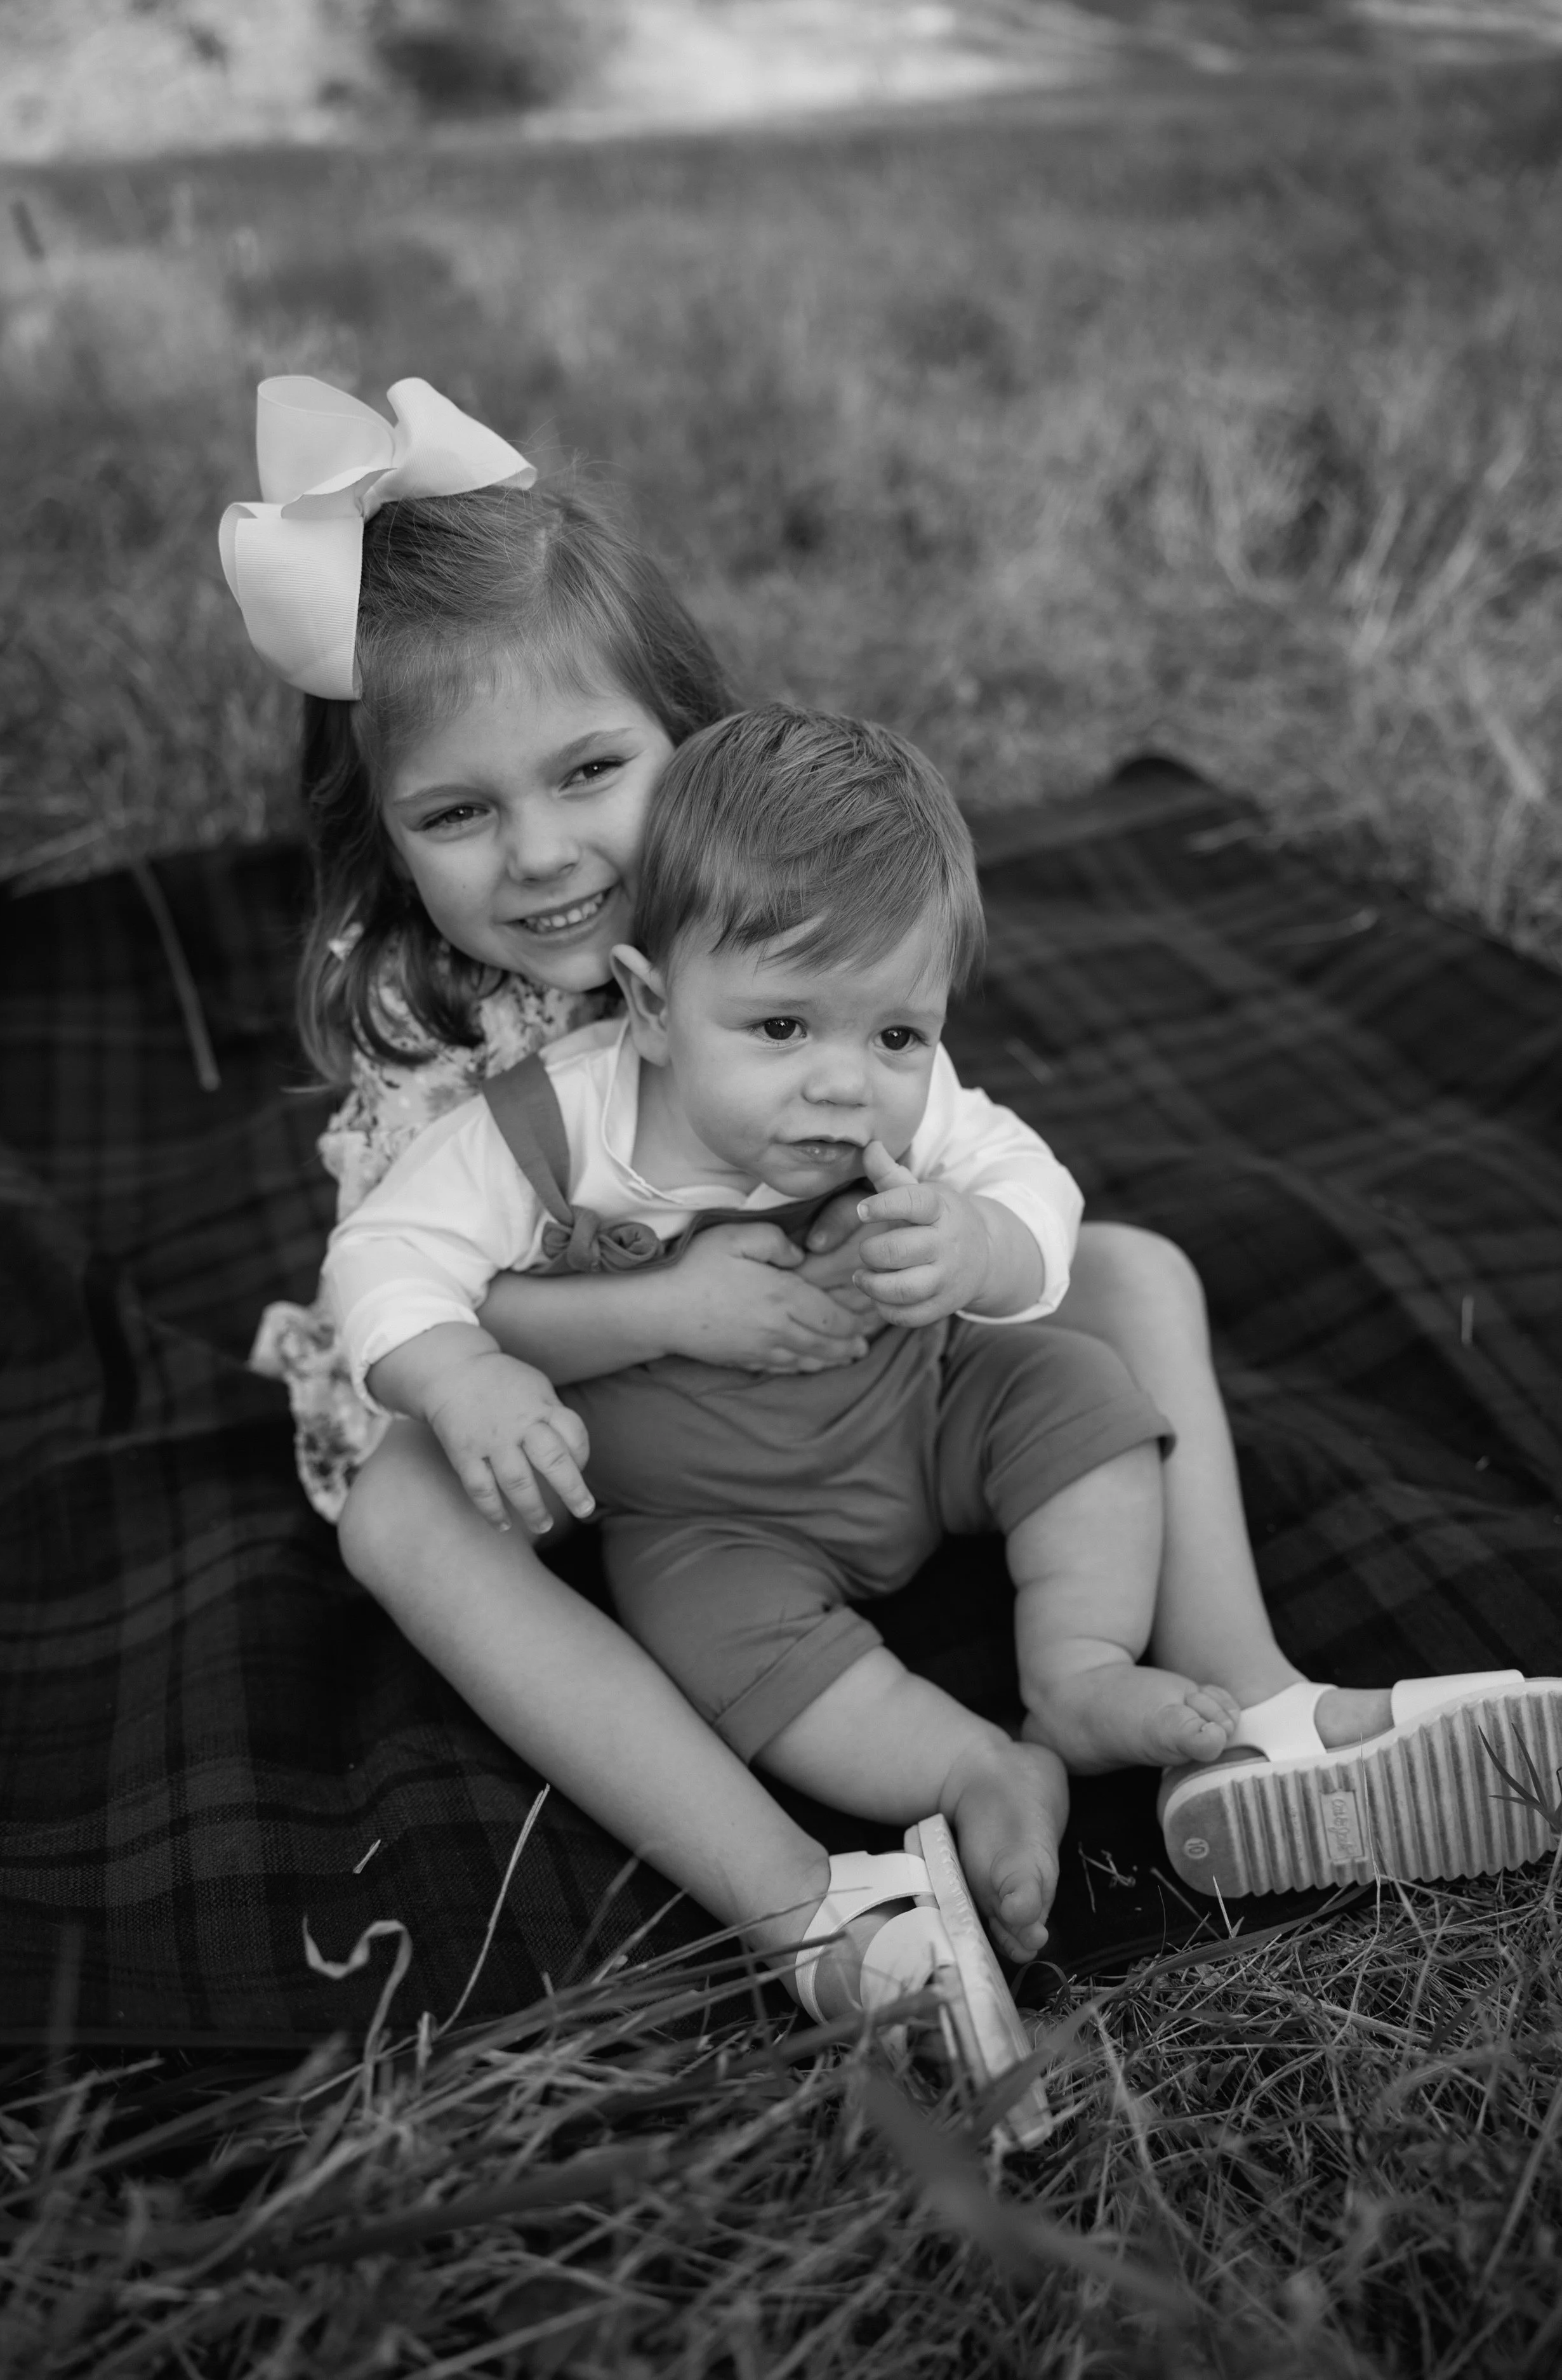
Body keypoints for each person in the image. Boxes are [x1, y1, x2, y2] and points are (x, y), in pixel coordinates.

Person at [225, 374, 1558, 2046]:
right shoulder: (450, 1080)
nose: (542, 851)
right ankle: (806, 1902)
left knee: (1132, 1267)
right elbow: (414, 1281)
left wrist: (963, 1244)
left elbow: (956, 1141)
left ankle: (1251, 1709)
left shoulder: (776, 941)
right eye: (457, 812)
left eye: (587, 771)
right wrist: (633, 1319)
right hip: (606, 1464)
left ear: (688, 745)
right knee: (395, 1514)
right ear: (385, 837)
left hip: (876, 1391)